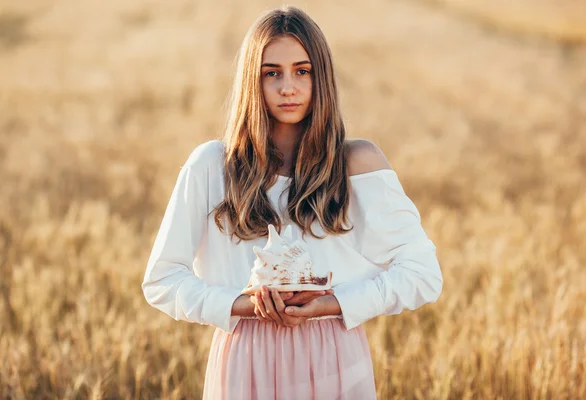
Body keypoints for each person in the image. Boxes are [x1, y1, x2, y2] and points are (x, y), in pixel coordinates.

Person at [141, 5, 443, 399]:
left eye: (303, 71)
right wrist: (243, 305)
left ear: (322, 78)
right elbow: (162, 281)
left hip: (334, 358)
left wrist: (332, 304)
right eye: (272, 73)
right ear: (253, 80)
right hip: (244, 363)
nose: (288, 87)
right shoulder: (211, 166)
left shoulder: (358, 164)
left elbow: (423, 274)